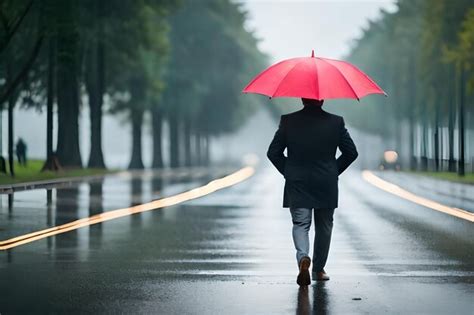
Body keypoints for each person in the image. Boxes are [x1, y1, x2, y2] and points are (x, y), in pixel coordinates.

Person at [266, 98, 358, 286]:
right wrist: (333, 170)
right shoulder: (336, 122)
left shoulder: (288, 121)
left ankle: (302, 258)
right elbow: (351, 152)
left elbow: (273, 153)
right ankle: (318, 269)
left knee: (300, 224)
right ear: (322, 99)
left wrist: (289, 171)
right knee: (324, 227)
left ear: (302, 99)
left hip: (297, 182)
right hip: (326, 182)